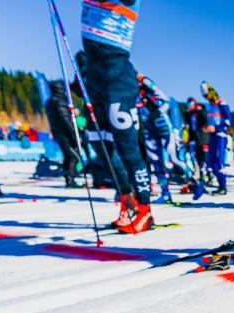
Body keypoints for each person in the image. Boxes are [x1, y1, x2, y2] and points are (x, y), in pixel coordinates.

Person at [81, 0, 154, 233]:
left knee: (128, 149)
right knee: (100, 144)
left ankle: (145, 210)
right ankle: (126, 200)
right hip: (94, 78)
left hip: (117, 78)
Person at [137, 74, 204, 203]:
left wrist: (157, 113)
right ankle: (165, 192)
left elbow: (166, 102)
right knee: (155, 160)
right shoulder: (130, 92)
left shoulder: (146, 84)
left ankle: (196, 183)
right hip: (148, 129)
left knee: (174, 158)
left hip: (164, 127)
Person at [45, 79, 83, 188]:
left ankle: (68, 177)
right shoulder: (60, 101)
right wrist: (75, 134)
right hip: (64, 134)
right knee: (73, 156)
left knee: (68, 156)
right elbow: (66, 120)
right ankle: (70, 179)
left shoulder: (50, 101)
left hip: (59, 133)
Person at [201, 81, 232, 195]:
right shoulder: (210, 106)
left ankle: (223, 187)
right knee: (210, 162)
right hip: (212, 137)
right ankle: (218, 184)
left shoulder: (222, 103)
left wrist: (216, 128)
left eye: (206, 95)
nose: (206, 98)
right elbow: (211, 120)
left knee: (219, 162)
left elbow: (229, 121)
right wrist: (206, 127)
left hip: (221, 136)